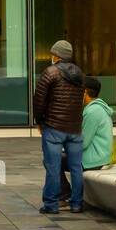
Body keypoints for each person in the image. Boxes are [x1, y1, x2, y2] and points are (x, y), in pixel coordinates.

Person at [33, 39, 85, 214]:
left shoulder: (50, 72)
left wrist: (39, 122)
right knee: (77, 167)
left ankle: (51, 204)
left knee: (53, 166)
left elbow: (39, 101)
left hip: (54, 126)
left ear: (56, 55)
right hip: (75, 128)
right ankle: (77, 203)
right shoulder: (79, 74)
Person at [59, 76, 114, 204]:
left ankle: (68, 195)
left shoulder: (93, 111)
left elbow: (82, 143)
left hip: (93, 159)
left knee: (53, 159)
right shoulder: (95, 108)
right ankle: (67, 195)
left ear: (84, 92)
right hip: (96, 155)